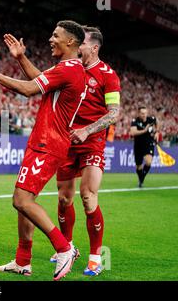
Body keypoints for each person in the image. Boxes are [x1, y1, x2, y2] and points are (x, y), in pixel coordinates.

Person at [0, 20, 87, 281]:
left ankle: (64, 248)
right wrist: (21, 58)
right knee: (24, 203)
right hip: (45, 141)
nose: (51, 39)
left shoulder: (69, 69)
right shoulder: (68, 68)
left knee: (22, 201)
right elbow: (40, 81)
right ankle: (22, 261)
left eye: (55, 35)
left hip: (47, 144)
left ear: (70, 42)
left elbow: (29, 90)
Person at [50, 26, 121, 276]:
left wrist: (88, 130)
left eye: (82, 44)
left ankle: (95, 257)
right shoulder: (72, 69)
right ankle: (67, 247)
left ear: (94, 47)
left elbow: (114, 113)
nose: (77, 47)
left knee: (88, 196)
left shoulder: (108, 75)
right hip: (66, 142)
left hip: (92, 142)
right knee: (63, 199)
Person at [130, 106, 159, 187]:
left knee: (148, 162)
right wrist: (145, 130)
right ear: (139, 113)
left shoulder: (151, 119)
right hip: (138, 145)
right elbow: (133, 132)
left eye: (145, 113)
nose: (144, 115)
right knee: (139, 166)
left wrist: (157, 132)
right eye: (142, 113)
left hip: (148, 143)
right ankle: (141, 179)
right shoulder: (135, 121)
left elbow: (157, 122)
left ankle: (142, 178)